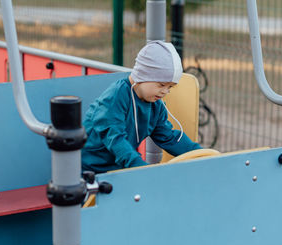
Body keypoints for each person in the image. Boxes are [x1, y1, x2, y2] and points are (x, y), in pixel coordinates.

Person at [81, 40, 202, 173]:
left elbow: (169, 137)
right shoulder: (116, 96)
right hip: (89, 170)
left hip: (117, 170)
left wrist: (200, 154)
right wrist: (139, 166)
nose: (165, 91)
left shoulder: (156, 105)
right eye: (161, 85)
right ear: (143, 74)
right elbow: (115, 139)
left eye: (170, 87)